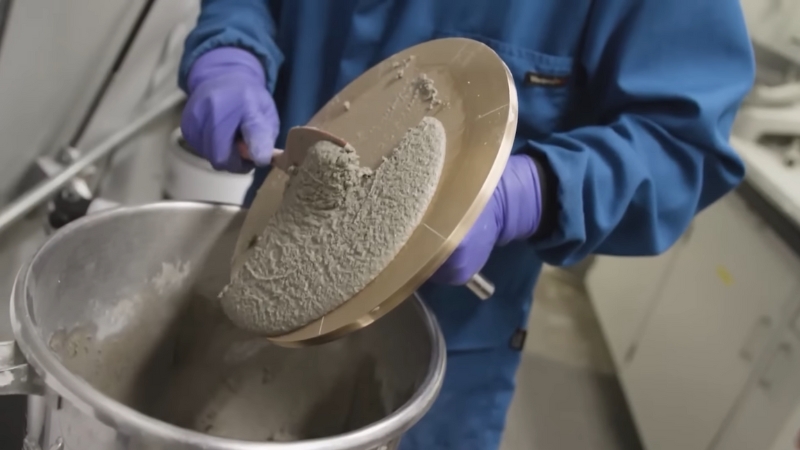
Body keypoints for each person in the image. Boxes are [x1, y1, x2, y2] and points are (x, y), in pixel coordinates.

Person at [179, 1, 755, 449]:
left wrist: (535, 191)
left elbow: (683, 144)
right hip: (275, 259)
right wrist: (232, 50)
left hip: (451, 338)